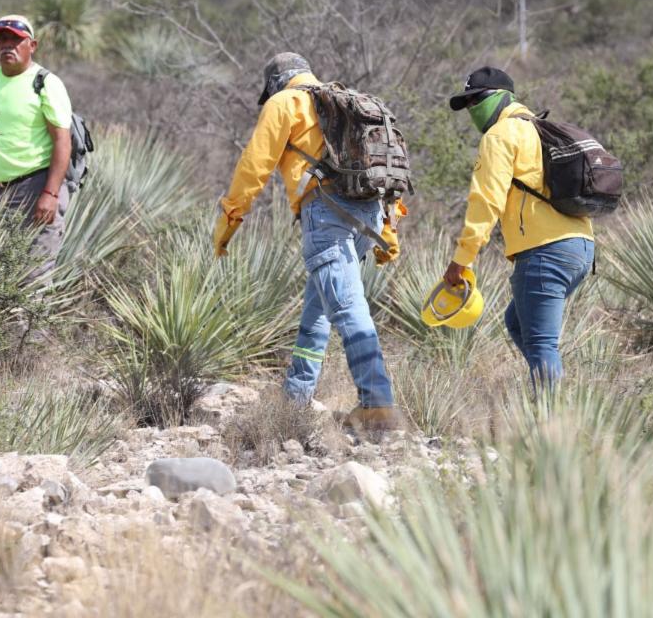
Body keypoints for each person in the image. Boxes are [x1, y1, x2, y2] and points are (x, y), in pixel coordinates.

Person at [213, 52, 403, 431]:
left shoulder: (285, 102)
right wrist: (389, 231)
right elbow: (384, 167)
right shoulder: (347, 100)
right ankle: (296, 395)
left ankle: (377, 406)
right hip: (369, 215)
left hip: (326, 213)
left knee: (347, 309)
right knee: (317, 311)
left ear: (275, 84)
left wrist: (229, 222)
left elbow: (254, 165)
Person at [441, 66, 594, 390]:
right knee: (517, 322)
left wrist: (461, 260)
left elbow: (486, 202)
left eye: (475, 100)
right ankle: (554, 395)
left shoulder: (500, 135)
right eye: (467, 105)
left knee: (541, 344)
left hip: (545, 251)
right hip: (581, 247)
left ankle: (551, 425)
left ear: (499, 97)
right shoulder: (541, 128)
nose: (472, 109)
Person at [0, 15, 73, 282]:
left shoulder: (45, 83)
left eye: (16, 40)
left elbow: (61, 141)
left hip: (35, 189)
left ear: (32, 45)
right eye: (2, 39)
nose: (8, 45)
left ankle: (33, 327)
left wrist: (50, 193)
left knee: (33, 277)